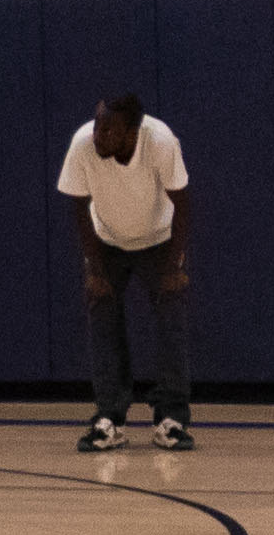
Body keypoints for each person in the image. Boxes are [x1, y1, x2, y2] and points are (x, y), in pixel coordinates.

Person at [60, 93, 197, 451]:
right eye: (97, 124)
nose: (98, 134)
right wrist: (93, 268)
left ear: (132, 132)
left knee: (171, 324)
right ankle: (109, 418)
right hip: (107, 241)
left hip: (160, 239)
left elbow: (182, 204)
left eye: (108, 129)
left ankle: (171, 419)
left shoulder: (161, 141)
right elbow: (79, 206)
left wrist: (175, 266)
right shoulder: (82, 145)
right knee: (103, 322)